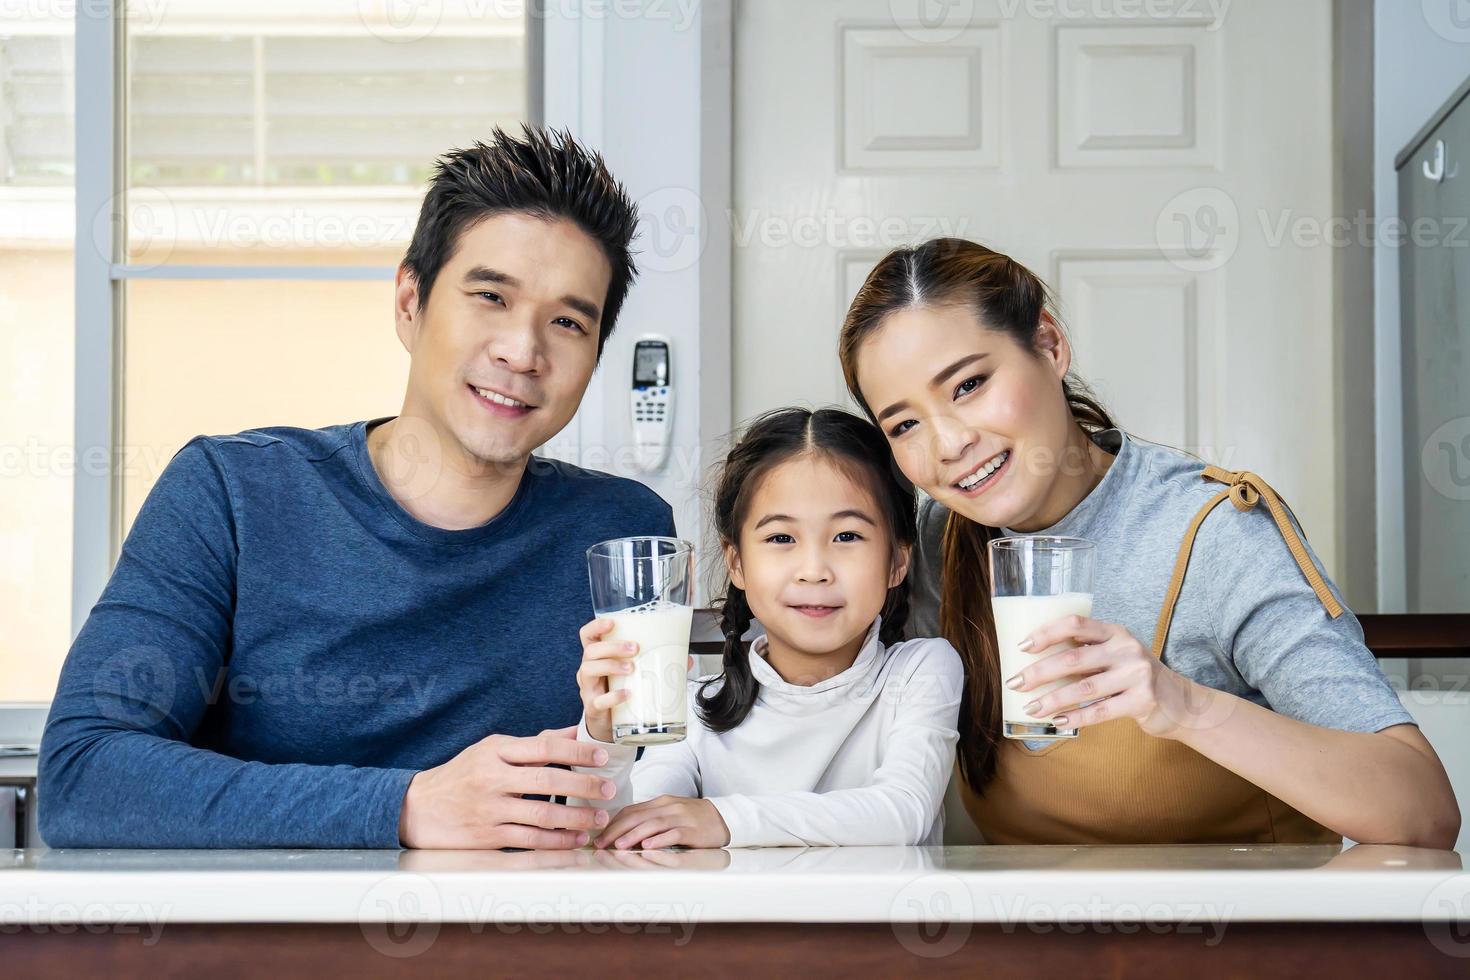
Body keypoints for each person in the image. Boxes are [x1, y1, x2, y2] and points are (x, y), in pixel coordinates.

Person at [39, 126, 671, 849]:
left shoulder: (623, 532)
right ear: (410, 301)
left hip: (523, 947)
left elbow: (648, 787)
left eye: (566, 321)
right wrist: (405, 807)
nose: (522, 351)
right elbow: (84, 775)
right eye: (490, 297)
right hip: (264, 951)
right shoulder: (232, 494)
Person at [836, 238, 1460, 848]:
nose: (948, 445)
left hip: (1239, 941)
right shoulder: (938, 540)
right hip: (1023, 939)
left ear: (1049, 344)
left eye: (969, 385)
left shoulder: (1215, 534)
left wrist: (1182, 705)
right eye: (906, 423)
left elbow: (1423, 810)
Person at [569, 408, 964, 848]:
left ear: (897, 561)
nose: (814, 571)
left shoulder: (920, 671)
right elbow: (619, 837)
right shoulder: (695, 707)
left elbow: (902, 813)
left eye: (847, 536)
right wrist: (604, 739)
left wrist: (724, 819)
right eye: (781, 538)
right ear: (737, 563)